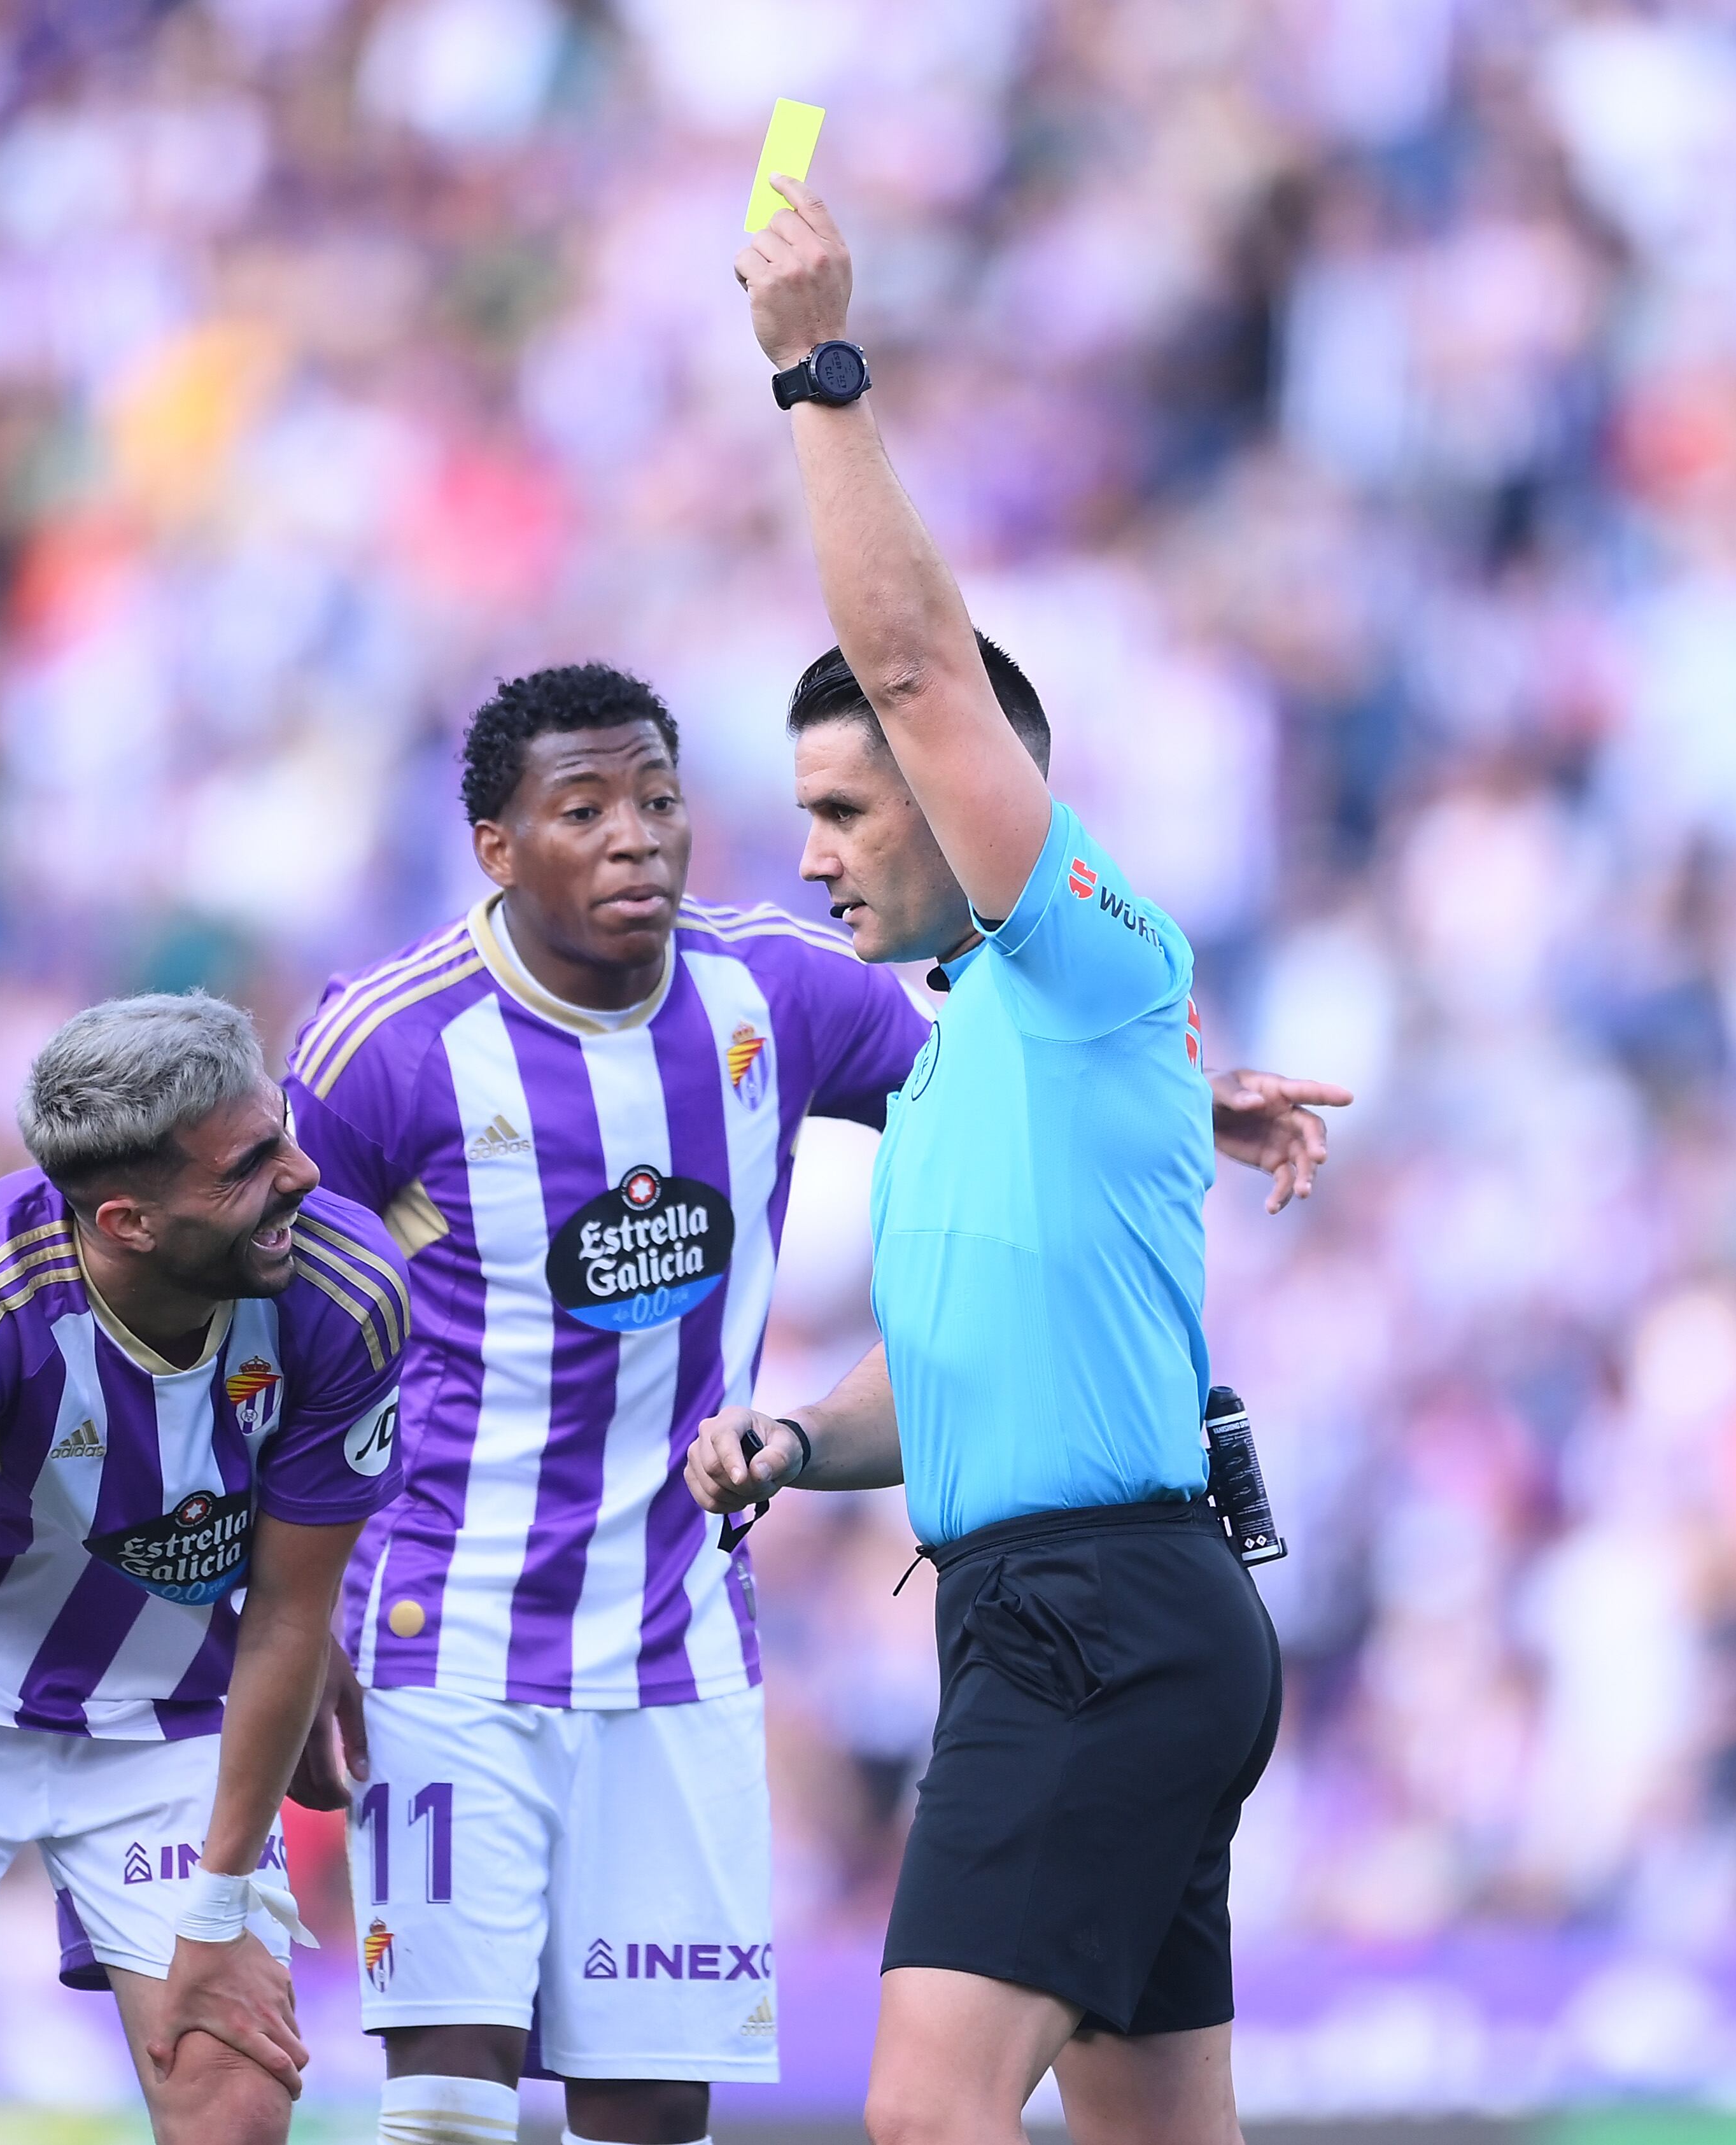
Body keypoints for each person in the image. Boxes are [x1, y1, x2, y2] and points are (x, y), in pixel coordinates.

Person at [280, 664, 1339, 2145]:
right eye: (583, 809)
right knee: (448, 2100)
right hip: (446, 1626)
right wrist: (295, 1611)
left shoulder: (775, 990)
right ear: (496, 846)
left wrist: (1181, 1090)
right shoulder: (381, 1045)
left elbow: (1009, 1085)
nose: (639, 837)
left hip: (681, 1640)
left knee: (652, 2110)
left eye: (658, 800)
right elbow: (269, 1320)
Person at [686, 179, 1329, 2145]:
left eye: (840, 809)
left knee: (925, 2114)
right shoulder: (973, 1045)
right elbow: (963, 1366)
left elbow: (915, 665)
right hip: (1068, 1611)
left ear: (978, 798)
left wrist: (813, 369)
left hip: (1094, 1617)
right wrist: (799, 1439)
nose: (807, 852)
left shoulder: (1078, 942)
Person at [0, 992, 411, 2145]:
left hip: (168, 1704)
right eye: (250, 1164)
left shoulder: (345, 1289)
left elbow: (287, 1616)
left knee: (236, 2107)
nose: (305, 1174)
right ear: (127, 1219)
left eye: (281, 1129)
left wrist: (218, 1912)